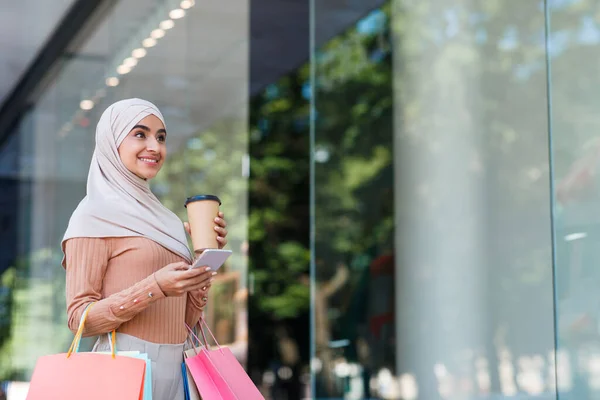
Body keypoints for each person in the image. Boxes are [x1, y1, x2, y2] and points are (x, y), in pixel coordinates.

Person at [61, 98, 228, 399]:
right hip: (122, 371)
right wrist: (155, 287)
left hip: (178, 372)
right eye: (140, 134)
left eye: (161, 137)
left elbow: (185, 323)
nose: (154, 146)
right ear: (112, 141)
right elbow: (78, 319)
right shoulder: (92, 215)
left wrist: (204, 264)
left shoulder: (170, 222)